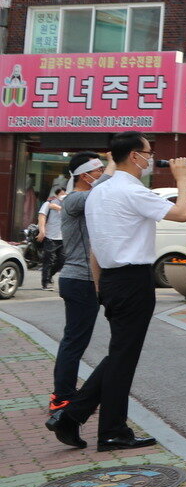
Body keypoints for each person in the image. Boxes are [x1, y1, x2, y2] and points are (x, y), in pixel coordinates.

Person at [47, 133, 186, 451]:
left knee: (120, 355)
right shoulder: (131, 190)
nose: (151, 157)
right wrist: (182, 178)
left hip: (111, 281)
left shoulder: (99, 192)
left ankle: (75, 417)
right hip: (132, 281)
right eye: (148, 152)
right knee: (123, 358)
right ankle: (108, 430)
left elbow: (95, 249)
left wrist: (100, 285)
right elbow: (183, 213)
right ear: (133, 156)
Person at [50, 153, 115, 412]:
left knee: (75, 339)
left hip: (82, 280)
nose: (100, 175)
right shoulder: (76, 199)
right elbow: (102, 192)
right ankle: (61, 396)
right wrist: (113, 164)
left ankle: (64, 392)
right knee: (74, 341)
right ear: (84, 175)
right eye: (96, 171)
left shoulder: (83, 199)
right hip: (79, 279)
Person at [38, 187, 67, 289]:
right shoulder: (48, 204)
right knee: (48, 260)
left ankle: (50, 275)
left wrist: (59, 208)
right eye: (63, 193)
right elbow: (42, 216)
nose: (64, 195)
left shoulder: (67, 205)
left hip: (63, 238)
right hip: (50, 236)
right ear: (57, 194)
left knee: (62, 261)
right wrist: (42, 230)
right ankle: (45, 283)